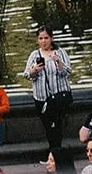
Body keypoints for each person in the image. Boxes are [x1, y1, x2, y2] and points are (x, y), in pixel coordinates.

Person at [26, 27, 74, 167]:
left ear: (51, 38)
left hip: (59, 96)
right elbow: (27, 75)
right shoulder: (34, 55)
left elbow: (67, 72)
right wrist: (34, 70)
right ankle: (54, 155)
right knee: (49, 127)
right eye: (41, 38)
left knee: (56, 126)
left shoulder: (60, 52)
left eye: (46, 38)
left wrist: (58, 62)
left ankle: (54, 157)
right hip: (42, 97)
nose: (44, 41)